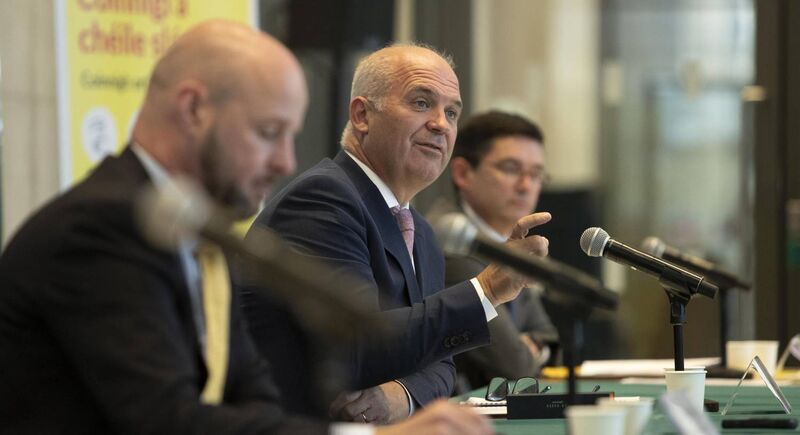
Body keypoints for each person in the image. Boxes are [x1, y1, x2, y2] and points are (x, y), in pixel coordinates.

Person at [0, 20, 494, 435]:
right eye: (268, 133)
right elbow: (169, 421)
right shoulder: (102, 229)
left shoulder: (196, 228)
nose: (283, 162)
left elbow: (252, 401)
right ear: (194, 109)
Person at [246, 44, 551, 424]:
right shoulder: (323, 200)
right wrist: (485, 290)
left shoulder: (420, 231)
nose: (441, 123)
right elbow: (354, 347)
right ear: (361, 115)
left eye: (452, 112)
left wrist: (402, 396)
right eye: (422, 103)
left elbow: (443, 363)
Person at [428, 110, 559, 393]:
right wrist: (529, 349)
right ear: (463, 173)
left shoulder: (512, 241)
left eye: (536, 174)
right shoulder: (448, 243)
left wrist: (533, 346)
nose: (526, 186)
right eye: (511, 169)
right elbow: (515, 367)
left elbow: (549, 338)